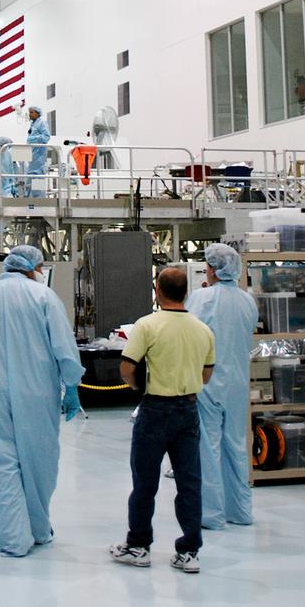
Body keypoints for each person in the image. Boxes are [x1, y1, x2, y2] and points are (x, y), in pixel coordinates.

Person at [0, 244, 83, 557]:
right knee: (39, 460)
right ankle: (38, 527)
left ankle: (14, 536)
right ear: (34, 267)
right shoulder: (43, 296)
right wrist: (71, 384)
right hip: (36, 391)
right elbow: (63, 344)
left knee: (0, 461)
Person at [110, 266, 215, 574]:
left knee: (144, 481)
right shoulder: (202, 329)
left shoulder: (147, 325)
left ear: (157, 291)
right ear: (186, 292)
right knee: (189, 482)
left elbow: (127, 368)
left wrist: (140, 388)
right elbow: (206, 374)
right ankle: (189, 552)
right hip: (188, 411)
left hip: (155, 409)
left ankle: (139, 546)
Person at [187, 243, 258, 530]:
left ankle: (211, 515)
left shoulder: (201, 298)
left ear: (213, 269)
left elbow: (188, 333)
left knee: (208, 447)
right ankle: (240, 511)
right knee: (236, 446)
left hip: (208, 381)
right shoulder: (248, 301)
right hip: (238, 383)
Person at [26, 106, 51, 196]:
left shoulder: (42, 122)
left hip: (39, 159)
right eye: (29, 112)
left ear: (37, 113)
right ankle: (30, 204)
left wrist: (33, 138)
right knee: (29, 183)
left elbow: (46, 137)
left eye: (32, 112)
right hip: (33, 159)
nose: (30, 114)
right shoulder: (33, 124)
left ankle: (39, 204)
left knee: (38, 184)